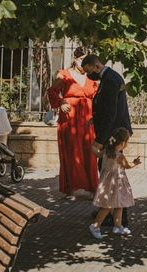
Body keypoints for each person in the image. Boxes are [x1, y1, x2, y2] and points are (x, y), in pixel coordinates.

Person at [82, 54, 133, 228]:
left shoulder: (110, 79)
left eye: (89, 71)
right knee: (110, 174)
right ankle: (110, 212)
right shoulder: (110, 77)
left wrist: (100, 140)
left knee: (112, 175)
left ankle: (115, 215)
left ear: (95, 66)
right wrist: (94, 118)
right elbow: (105, 107)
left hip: (114, 133)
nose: (89, 76)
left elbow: (111, 112)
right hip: (114, 131)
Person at [47, 47, 99, 197]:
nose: (84, 62)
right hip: (70, 117)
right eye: (82, 59)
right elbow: (52, 91)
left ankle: (92, 187)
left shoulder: (92, 77)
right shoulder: (64, 74)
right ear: (76, 60)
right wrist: (61, 101)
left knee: (90, 152)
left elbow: (97, 97)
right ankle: (71, 188)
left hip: (88, 118)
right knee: (71, 152)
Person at [89, 128, 140, 239]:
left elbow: (97, 153)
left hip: (107, 183)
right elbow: (127, 166)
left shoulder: (107, 151)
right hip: (116, 183)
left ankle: (118, 226)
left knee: (118, 204)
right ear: (123, 143)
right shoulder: (119, 156)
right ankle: (95, 226)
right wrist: (135, 163)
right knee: (108, 206)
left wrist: (91, 146)